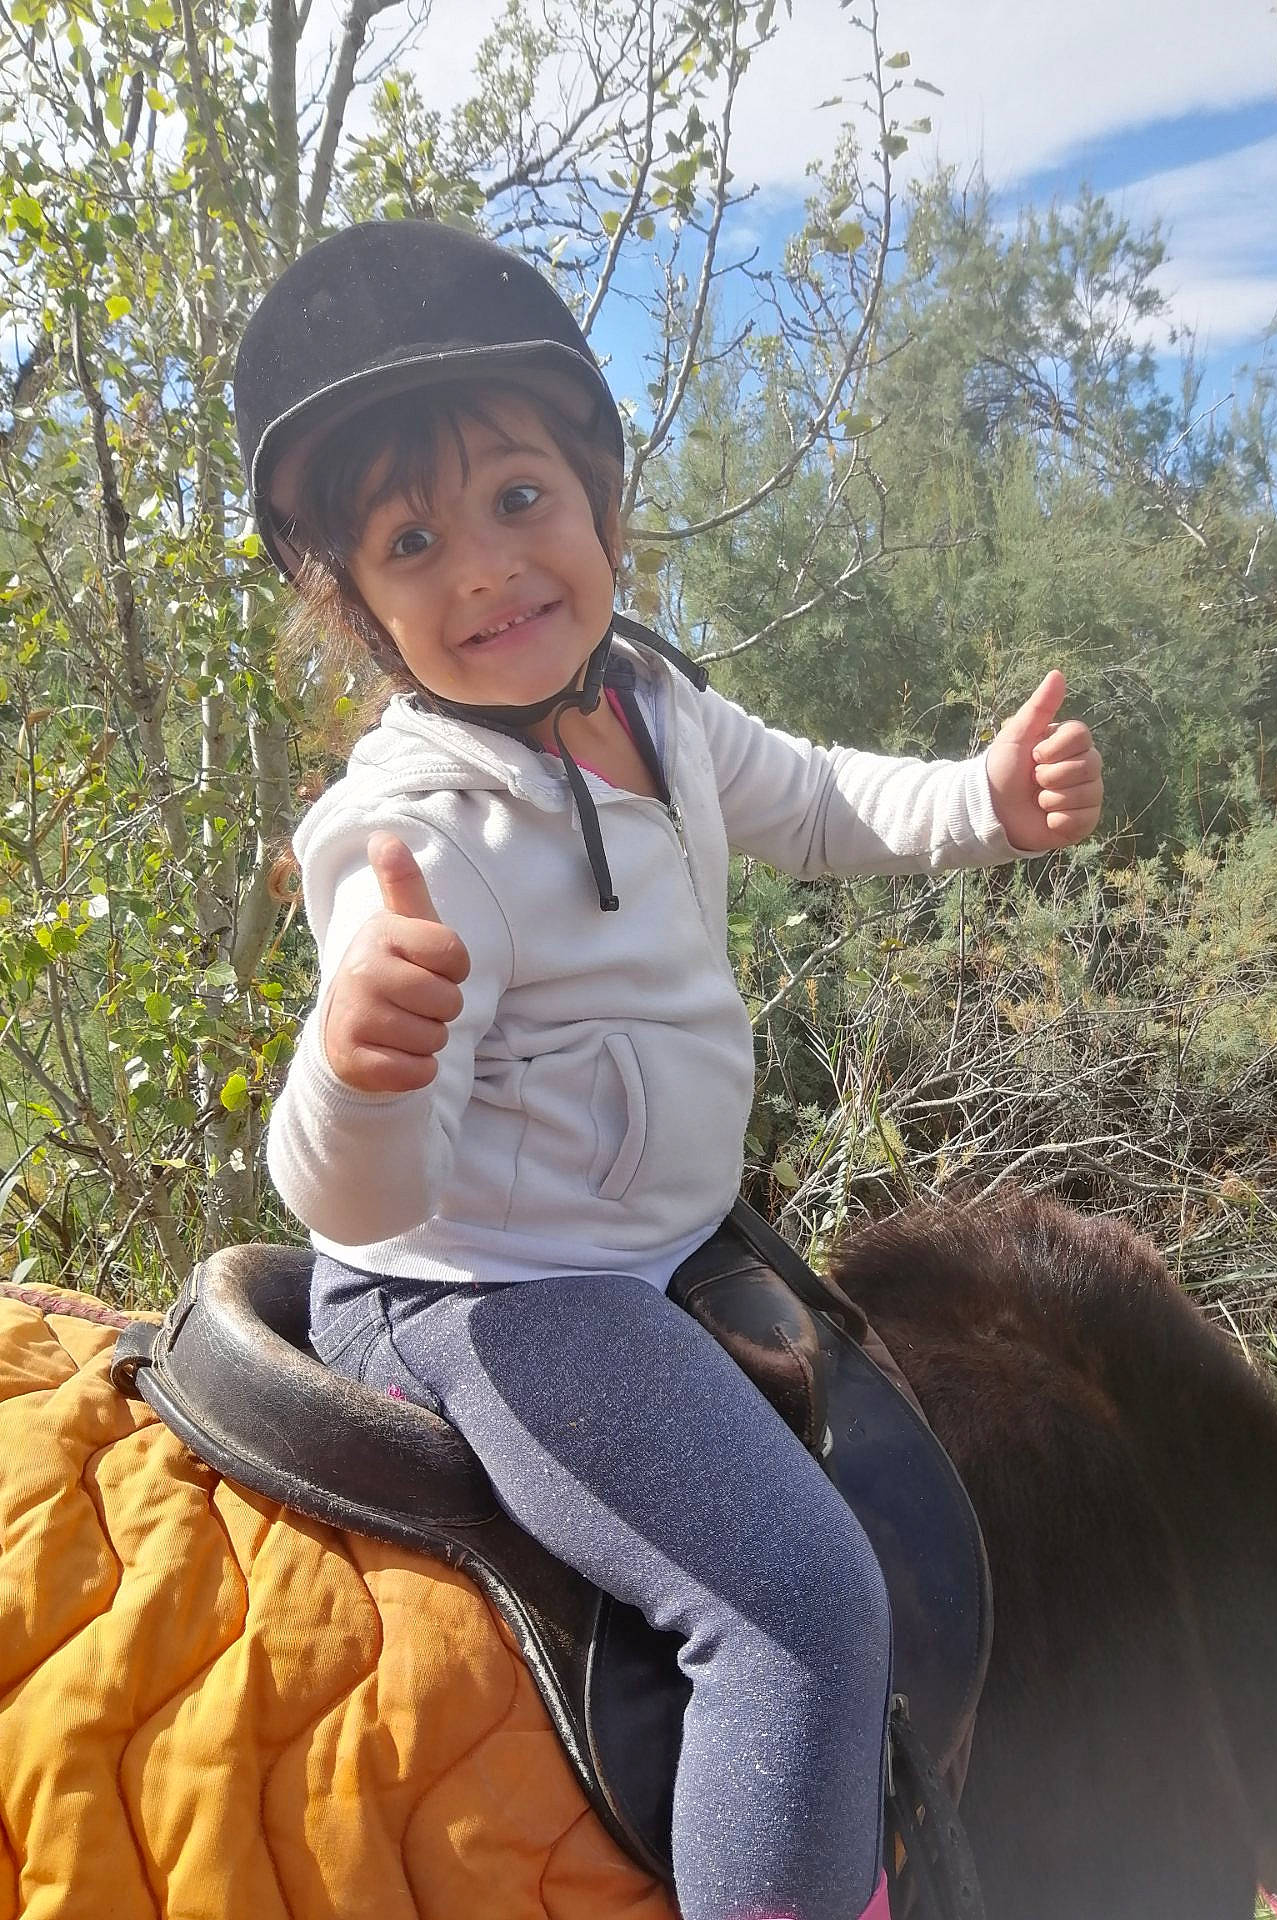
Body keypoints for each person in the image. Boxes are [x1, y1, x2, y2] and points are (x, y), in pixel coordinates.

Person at [236, 219, 1103, 1920]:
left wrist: (981, 804)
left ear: (602, 498)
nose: (485, 568)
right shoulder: (412, 832)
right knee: (799, 1604)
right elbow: (354, 1190)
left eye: (517, 499)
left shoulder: (656, 704)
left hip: (646, 1239)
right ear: (357, 601)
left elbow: (821, 800)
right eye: (414, 541)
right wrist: (359, 1059)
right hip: (489, 1289)